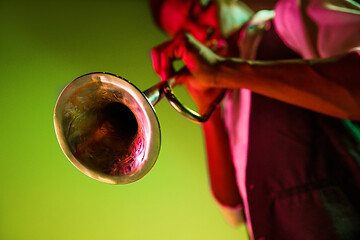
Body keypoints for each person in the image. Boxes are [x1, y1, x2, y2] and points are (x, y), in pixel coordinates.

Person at [149, 0, 360, 239]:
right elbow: (234, 211)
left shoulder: (293, 15)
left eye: (200, 11)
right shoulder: (226, 82)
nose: (200, 32)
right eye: (183, 33)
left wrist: (223, 71)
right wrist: (208, 108)